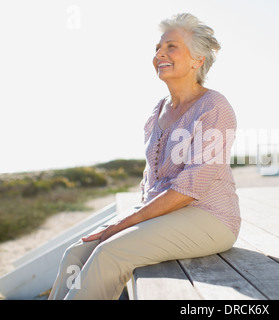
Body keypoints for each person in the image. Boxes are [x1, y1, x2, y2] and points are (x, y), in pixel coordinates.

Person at [48, 13, 240, 300]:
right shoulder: (158, 109)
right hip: (164, 211)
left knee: (109, 253)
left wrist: (124, 224)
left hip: (210, 217)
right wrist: (133, 217)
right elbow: (151, 174)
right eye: (157, 48)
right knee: (76, 252)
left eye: (171, 46)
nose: (159, 53)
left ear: (197, 60)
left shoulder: (214, 107)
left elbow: (190, 188)